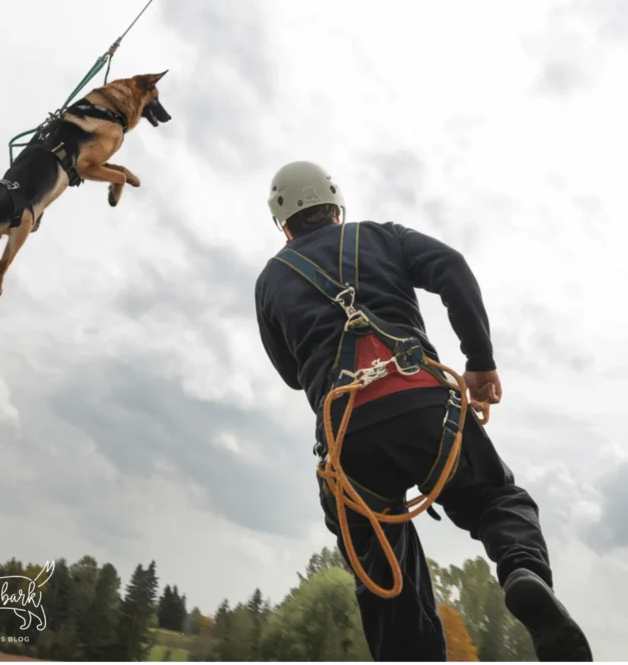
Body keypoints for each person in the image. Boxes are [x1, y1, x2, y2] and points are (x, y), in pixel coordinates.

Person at [254, 160, 594, 664]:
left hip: (348, 438)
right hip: (426, 406)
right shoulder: (382, 236)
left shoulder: (270, 282)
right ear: (335, 205)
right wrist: (479, 361)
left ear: (282, 222)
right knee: (496, 500)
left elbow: (289, 372)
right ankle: (523, 573)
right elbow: (451, 266)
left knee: (387, 581)